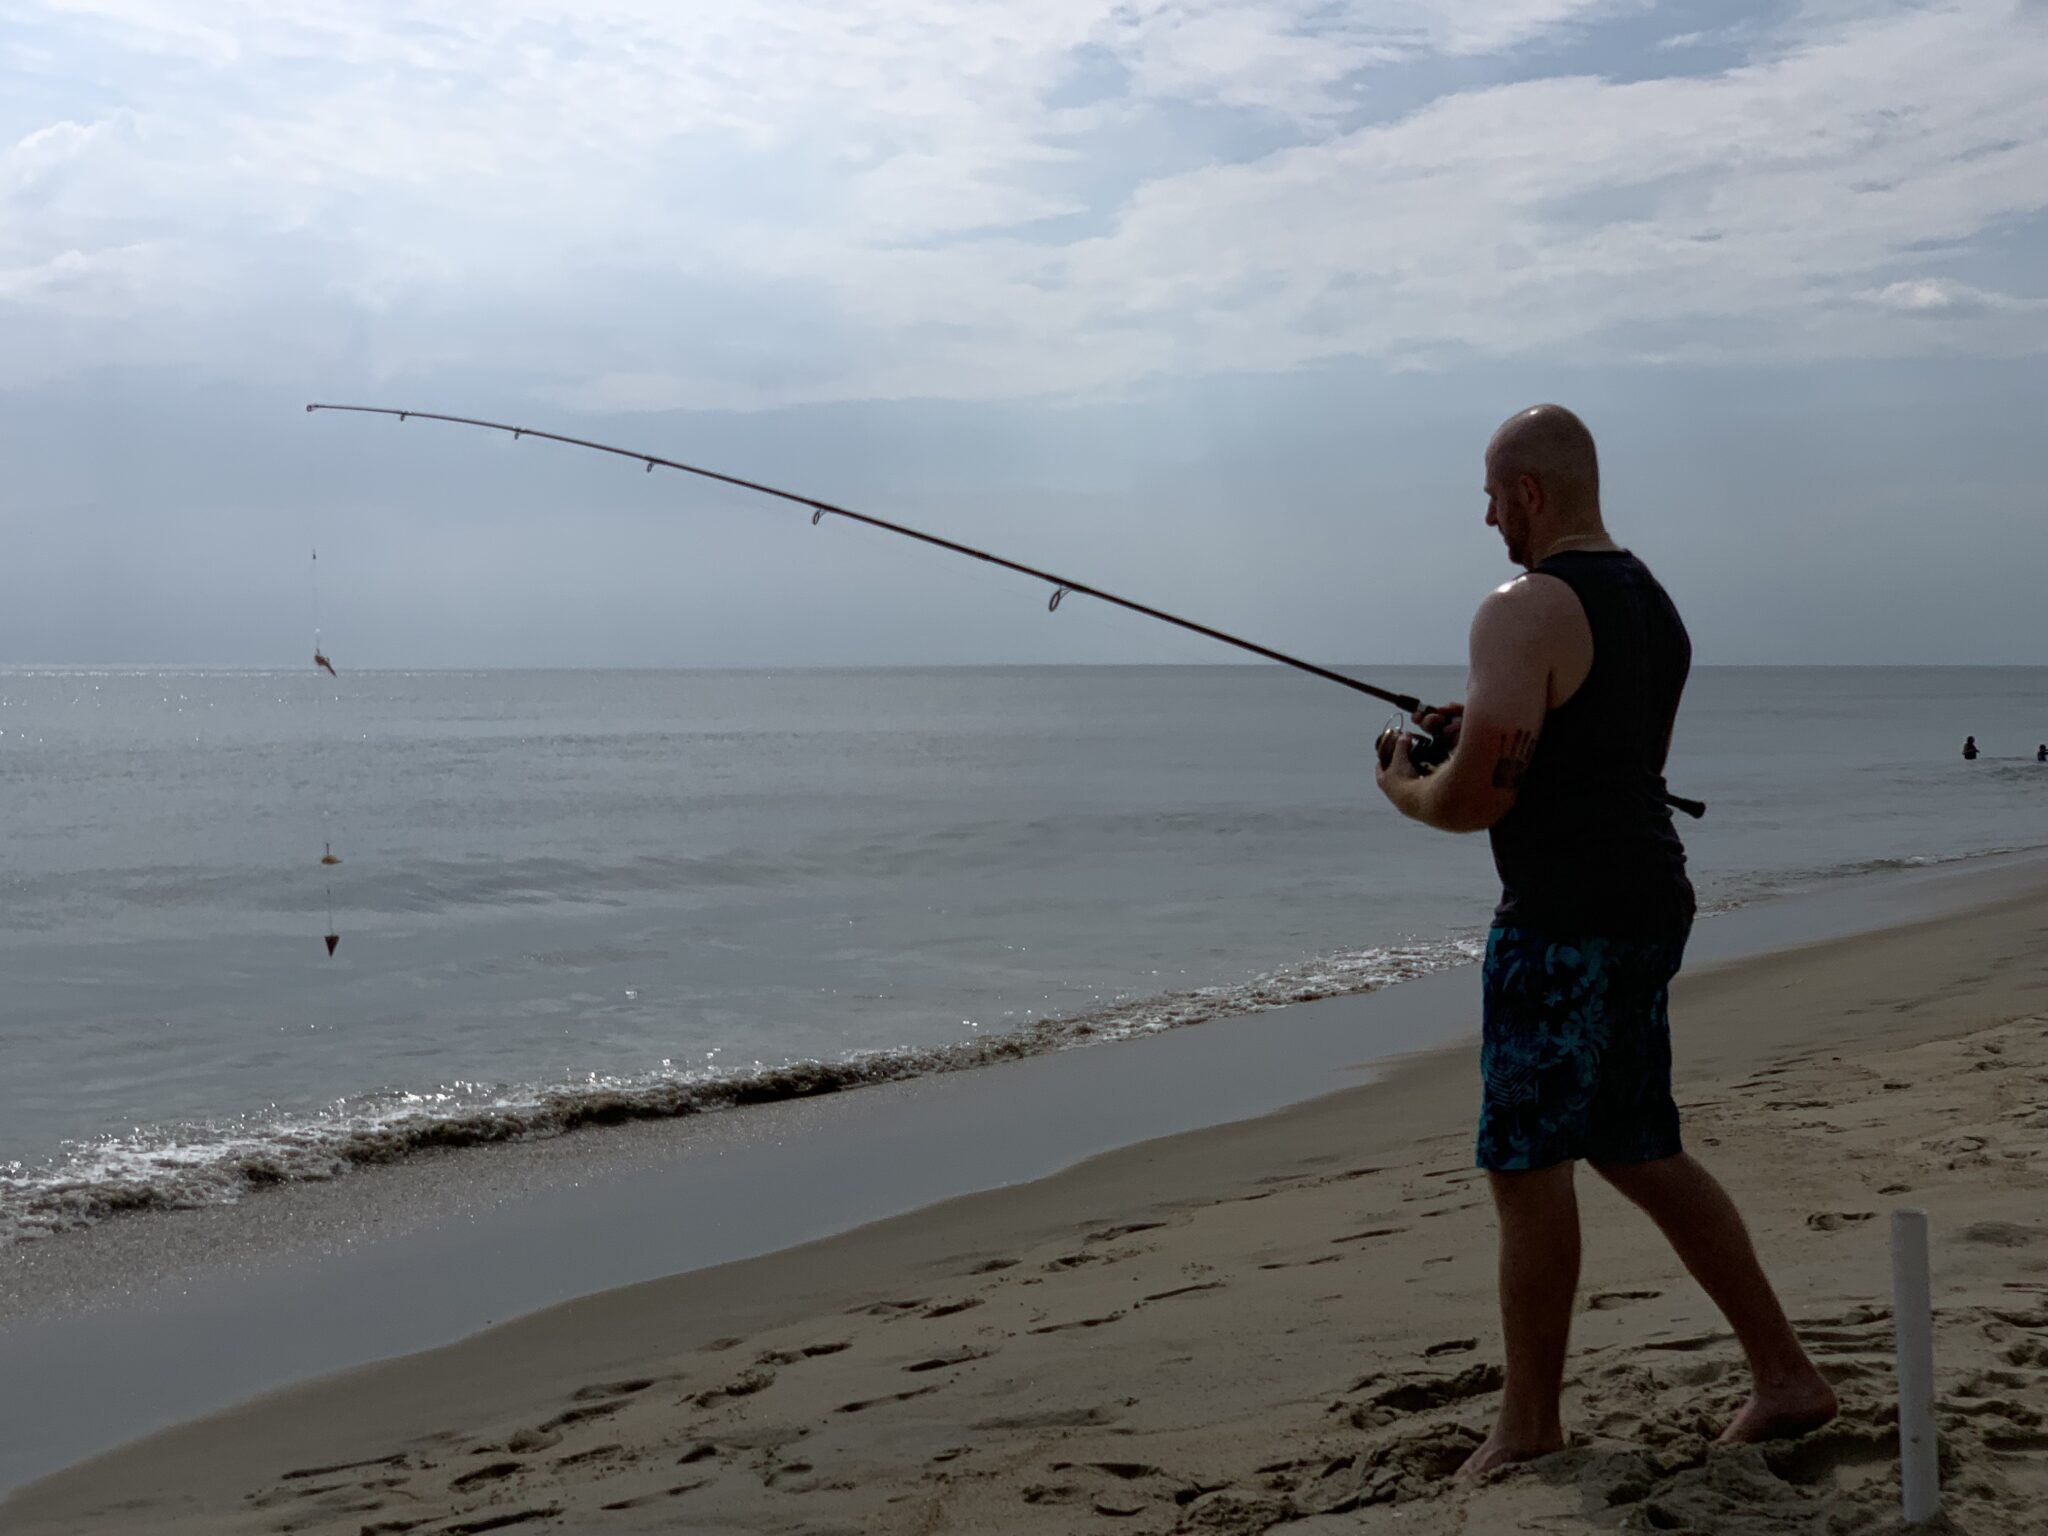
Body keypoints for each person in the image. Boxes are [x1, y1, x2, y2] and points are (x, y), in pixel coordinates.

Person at [1376, 404, 1836, 1477]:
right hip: (1646, 897)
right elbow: (1607, 756)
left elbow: (1476, 802)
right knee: (1634, 1141)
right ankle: (1786, 1377)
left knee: (1527, 1160)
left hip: (1563, 918)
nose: (1486, 517)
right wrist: (1486, 722)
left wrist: (1405, 784)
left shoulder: (1521, 605)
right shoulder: (1651, 605)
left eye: (1492, 497)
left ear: (1529, 494)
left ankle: (1529, 1423)